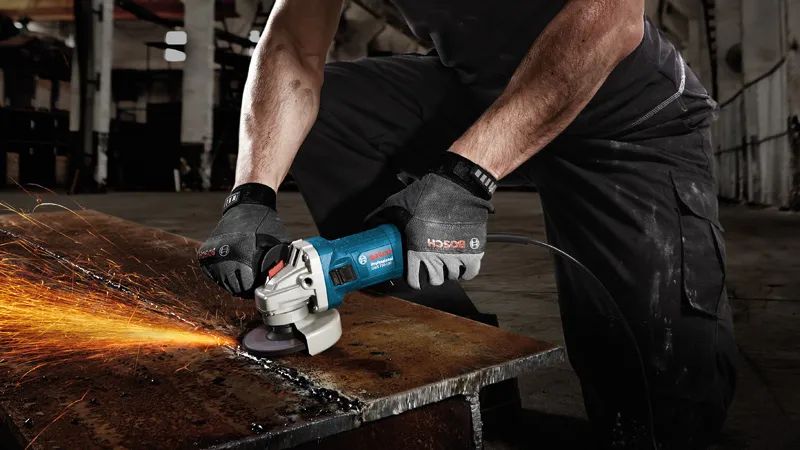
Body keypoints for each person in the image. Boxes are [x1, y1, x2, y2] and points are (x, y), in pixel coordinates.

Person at [198, 1, 737, 448]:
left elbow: (611, 17)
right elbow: (294, 40)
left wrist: (465, 177)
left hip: (624, 120)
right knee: (331, 112)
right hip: (486, 92)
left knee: (655, 399)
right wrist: (251, 193)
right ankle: (459, 361)